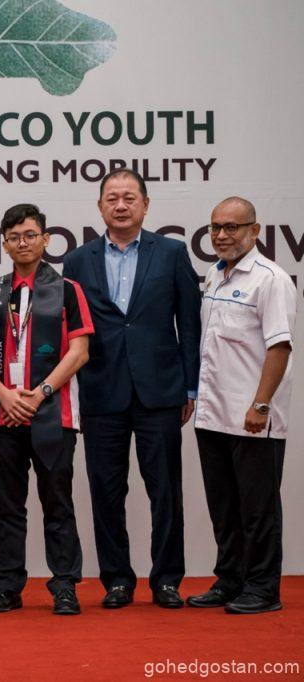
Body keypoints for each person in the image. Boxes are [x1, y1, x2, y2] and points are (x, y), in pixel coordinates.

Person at [62, 169, 201, 609]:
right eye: (112, 198)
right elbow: (71, 329)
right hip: (101, 389)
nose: (120, 206)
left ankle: (167, 580)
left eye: (129, 198)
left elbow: (190, 324)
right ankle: (117, 580)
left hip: (160, 390)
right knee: (105, 490)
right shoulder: (77, 260)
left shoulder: (172, 253)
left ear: (145, 204)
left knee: (165, 491)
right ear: (100, 206)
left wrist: (191, 387)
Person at [0, 204, 93, 616]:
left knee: (57, 504)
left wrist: (40, 392)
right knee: (7, 507)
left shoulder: (67, 290)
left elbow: (79, 352)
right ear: (4, 244)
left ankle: (64, 586)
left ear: (45, 239)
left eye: (29, 235)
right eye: (14, 237)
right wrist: (3, 394)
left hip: (53, 413)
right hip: (2, 413)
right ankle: (7, 586)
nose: (22, 243)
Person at [188, 197, 295, 615]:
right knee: (224, 507)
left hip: (252, 418)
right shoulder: (214, 275)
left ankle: (263, 588)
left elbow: (279, 347)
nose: (221, 235)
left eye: (231, 227)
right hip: (212, 415)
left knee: (258, 510)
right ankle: (230, 580)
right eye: (215, 227)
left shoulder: (270, 279)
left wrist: (261, 405)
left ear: (255, 230)